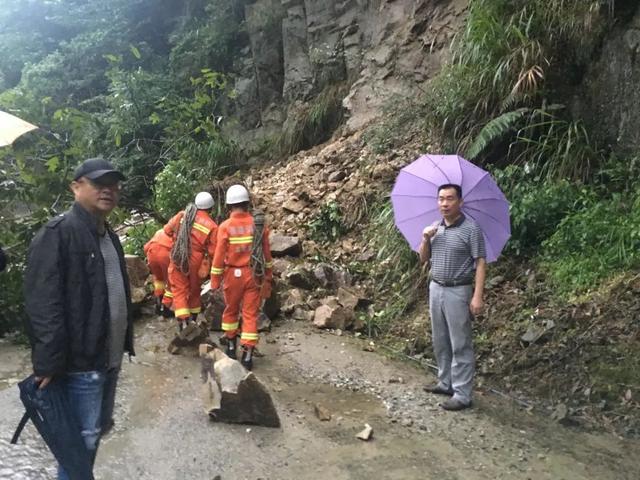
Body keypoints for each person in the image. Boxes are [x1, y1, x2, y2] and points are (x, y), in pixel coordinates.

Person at [24, 157, 134, 479]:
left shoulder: (108, 235)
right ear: (76, 187)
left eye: (113, 184)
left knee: (91, 439)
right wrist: (46, 362)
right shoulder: (57, 233)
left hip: (108, 360)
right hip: (80, 367)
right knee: (78, 450)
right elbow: (41, 302)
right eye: (99, 183)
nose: (108, 190)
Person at [419, 183, 486, 411]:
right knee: (440, 339)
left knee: (460, 342)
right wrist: (426, 239)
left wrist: (477, 296)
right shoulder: (435, 228)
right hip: (436, 287)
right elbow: (423, 259)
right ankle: (445, 382)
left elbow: (480, 262)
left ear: (460, 202)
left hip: (459, 290)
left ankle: (462, 394)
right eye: (440, 199)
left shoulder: (471, 229)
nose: (444, 204)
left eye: (449, 199)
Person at [210, 184, 273, 370]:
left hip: (232, 275)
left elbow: (219, 256)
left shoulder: (225, 227)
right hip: (254, 275)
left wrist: (214, 281)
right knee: (250, 314)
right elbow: (267, 255)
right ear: (247, 203)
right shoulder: (258, 225)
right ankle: (247, 355)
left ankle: (231, 346)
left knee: (230, 310)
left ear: (229, 205)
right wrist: (268, 277)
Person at [165, 192, 217, 331]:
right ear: (211, 208)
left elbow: (167, 231)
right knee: (194, 290)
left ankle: (183, 324)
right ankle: (193, 321)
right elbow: (213, 251)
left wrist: (178, 239)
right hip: (197, 260)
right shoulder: (212, 226)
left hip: (179, 256)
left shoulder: (182, 215)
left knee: (179, 290)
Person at [143, 228, 175, 317]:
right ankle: (166, 307)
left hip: (151, 253)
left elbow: (146, 247)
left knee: (159, 279)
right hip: (165, 255)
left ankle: (158, 304)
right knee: (170, 281)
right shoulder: (177, 233)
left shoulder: (159, 231)